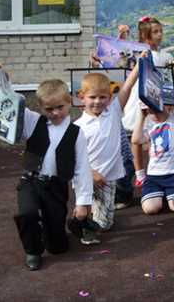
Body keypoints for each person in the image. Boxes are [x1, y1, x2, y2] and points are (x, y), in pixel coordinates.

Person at [0, 62, 94, 271]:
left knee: (57, 246)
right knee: (27, 214)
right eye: (49, 109)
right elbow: (12, 100)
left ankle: (53, 234)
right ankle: (32, 250)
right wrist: (1, 76)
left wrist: (83, 202)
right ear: (40, 107)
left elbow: (82, 168)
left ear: (69, 102)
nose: (55, 113)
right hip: (30, 181)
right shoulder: (32, 121)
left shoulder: (76, 132)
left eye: (60, 107)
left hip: (55, 188)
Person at [73, 64, 140, 239]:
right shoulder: (77, 127)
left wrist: (139, 66)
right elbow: (73, 159)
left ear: (110, 98)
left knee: (105, 225)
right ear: (82, 98)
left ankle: (94, 215)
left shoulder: (114, 112)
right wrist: (91, 173)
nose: (97, 101)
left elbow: (127, 86)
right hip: (85, 176)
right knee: (84, 211)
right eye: (92, 97)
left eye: (102, 97)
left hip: (108, 178)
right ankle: (79, 220)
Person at [120, 16, 174, 208]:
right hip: (141, 95)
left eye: (161, 31)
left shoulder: (165, 56)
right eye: (155, 32)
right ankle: (139, 172)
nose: (160, 35)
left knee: (155, 135)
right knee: (138, 133)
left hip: (157, 95)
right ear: (145, 36)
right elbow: (126, 65)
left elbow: (169, 75)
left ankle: (154, 169)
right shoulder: (141, 54)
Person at [131, 103, 174, 214]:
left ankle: (170, 196)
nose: (155, 116)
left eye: (158, 111)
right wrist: (142, 116)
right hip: (154, 175)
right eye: (151, 112)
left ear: (169, 108)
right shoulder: (149, 124)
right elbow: (136, 140)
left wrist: (168, 101)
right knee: (150, 209)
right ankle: (165, 195)